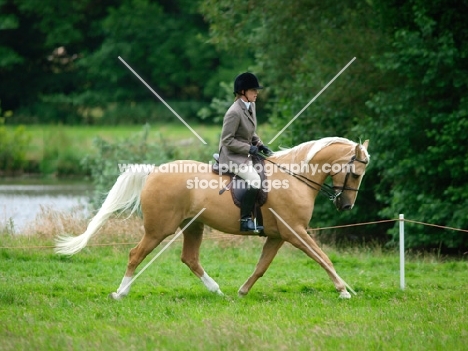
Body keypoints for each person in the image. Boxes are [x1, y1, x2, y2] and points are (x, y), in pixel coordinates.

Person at [218, 72, 273, 232]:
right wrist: (248, 148)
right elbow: (227, 140)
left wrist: (260, 144)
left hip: (243, 153)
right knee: (255, 180)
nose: (256, 93)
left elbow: (249, 131)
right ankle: (245, 219)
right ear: (243, 92)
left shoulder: (251, 106)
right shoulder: (233, 112)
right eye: (252, 90)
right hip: (231, 157)